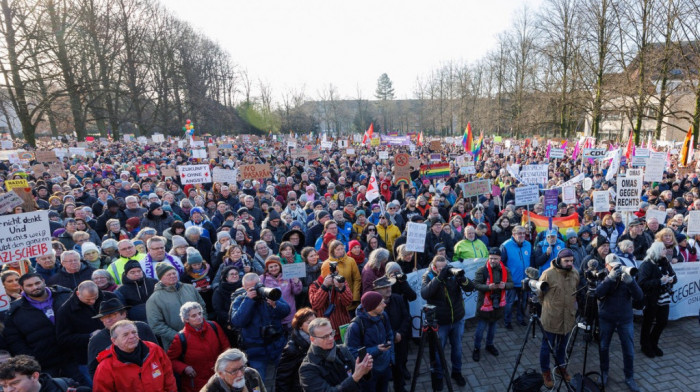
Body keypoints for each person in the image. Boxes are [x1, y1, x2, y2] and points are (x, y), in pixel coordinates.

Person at [4, 273, 78, 378]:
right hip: (45, 364)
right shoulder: (15, 311)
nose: (35, 287)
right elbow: (14, 340)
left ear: (43, 281)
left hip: (75, 356)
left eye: (37, 283)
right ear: (22, 288)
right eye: (29, 285)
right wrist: (31, 359)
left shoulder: (65, 295)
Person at [420, 255, 475, 390]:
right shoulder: (429, 276)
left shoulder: (452, 272)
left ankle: (456, 372)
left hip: (457, 319)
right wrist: (439, 278)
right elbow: (425, 293)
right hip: (440, 322)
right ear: (434, 267)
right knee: (439, 352)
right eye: (439, 268)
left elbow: (470, 287)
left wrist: (462, 279)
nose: (442, 270)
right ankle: (439, 377)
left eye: (444, 267)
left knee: (457, 348)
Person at [55, 281, 118, 387]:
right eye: (88, 299)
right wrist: (89, 336)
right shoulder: (66, 311)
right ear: (78, 294)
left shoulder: (109, 297)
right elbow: (63, 339)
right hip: (87, 358)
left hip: (116, 352)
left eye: (95, 297)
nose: (93, 301)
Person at [595, 254, 643, 391]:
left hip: (625, 318)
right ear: (606, 266)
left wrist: (631, 282)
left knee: (628, 350)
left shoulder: (626, 274)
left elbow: (639, 297)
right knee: (603, 347)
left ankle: (629, 377)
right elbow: (597, 293)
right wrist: (609, 279)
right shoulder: (601, 276)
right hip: (606, 318)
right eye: (613, 266)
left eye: (618, 265)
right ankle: (604, 372)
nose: (616, 268)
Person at [229, 273, 290, 381]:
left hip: (277, 345)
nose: (256, 290)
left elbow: (286, 311)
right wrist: (248, 300)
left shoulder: (270, 293)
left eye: (257, 286)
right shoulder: (239, 300)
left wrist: (275, 305)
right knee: (258, 381)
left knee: (284, 377)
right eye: (251, 288)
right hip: (255, 350)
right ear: (244, 288)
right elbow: (237, 322)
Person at [93, 320, 177, 392]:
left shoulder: (154, 350)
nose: (132, 336)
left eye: (134, 332)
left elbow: (169, 377)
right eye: (125, 335)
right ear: (114, 341)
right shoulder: (106, 366)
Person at [538, 248, 579, 388]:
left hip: (568, 317)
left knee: (563, 346)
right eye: (566, 261)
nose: (569, 263)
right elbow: (540, 294)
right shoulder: (548, 274)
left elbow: (575, 293)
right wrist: (551, 307)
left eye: (571, 261)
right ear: (559, 260)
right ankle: (546, 372)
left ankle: (560, 367)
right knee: (546, 347)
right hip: (551, 317)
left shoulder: (575, 273)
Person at [166, 302, 230, 392]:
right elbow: (169, 360)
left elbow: (226, 347)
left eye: (200, 313)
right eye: (194, 316)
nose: (199, 317)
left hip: (220, 377)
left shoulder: (214, 326)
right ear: (186, 319)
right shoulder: (181, 338)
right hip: (197, 384)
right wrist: (184, 368)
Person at [87, 298, 158, 377]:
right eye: (104, 317)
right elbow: (94, 371)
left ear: (124, 314)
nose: (108, 320)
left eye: (113, 315)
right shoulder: (96, 341)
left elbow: (157, 355)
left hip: (150, 379)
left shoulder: (142, 328)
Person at [298, 317, 374, 391]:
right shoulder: (307, 368)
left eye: (331, 333)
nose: (331, 338)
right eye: (325, 337)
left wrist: (365, 370)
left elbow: (360, 379)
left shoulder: (342, 349)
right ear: (312, 339)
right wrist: (355, 377)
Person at [145, 263, 206, 350]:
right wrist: (180, 337)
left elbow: (202, 307)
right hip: (177, 344)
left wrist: (204, 325)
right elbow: (156, 325)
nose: (172, 276)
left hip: (201, 335)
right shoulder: (154, 299)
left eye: (174, 273)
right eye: (168, 274)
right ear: (161, 278)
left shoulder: (190, 288)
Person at [345, 291, 393, 392]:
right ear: (372, 307)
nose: (385, 305)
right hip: (368, 373)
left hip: (385, 368)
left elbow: (389, 335)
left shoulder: (383, 316)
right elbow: (351, 352)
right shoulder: (355, 326)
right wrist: (376, 349)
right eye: (381, 303)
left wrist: (391, 358)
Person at [472, 248, 513, 362]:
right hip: (484, 305)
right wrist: (488, 287)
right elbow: (475, 284)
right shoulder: (482, 270)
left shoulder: (505, 270)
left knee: (493, 328)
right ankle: (476, 348)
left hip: (498, 304)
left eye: (495, 258)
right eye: (491, 258)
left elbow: (511, 283)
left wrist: (504, 286)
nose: (493, 260)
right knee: (480, 330)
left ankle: (489, 345)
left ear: (500, 259)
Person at [637, 241, 677, 358]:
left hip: (664, 297)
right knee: (648, 322)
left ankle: (653, 343)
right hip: (651, 297)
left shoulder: (665, 262)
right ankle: (645, 345)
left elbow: (674, 276)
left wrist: (671, 280)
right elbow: (642, 283)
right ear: (657, 250)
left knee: (662, 322)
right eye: (664, 249)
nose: (666, 251)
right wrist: (659, 281)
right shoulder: (647, 264)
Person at [372, 276, 411, 392]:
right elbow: (378, 325)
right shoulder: (374, 305)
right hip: (384, 343)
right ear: (377, 291)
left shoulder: (398, 298)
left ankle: (400, 387)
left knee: (399, 365)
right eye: (384, 287)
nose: (388, 289)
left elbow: (406, 317)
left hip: (400, 340)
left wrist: (400, 333)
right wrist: (393, 335)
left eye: (389, 286)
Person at [274, 308, 316, 392]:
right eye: (309, 322)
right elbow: (283, 378)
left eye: (315, 322)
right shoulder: (292, 348)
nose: (313, 325)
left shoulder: (319, 340)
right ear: (300, 326)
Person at [500, 225, 532, 329]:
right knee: (509, 303)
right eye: (519, 233)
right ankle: (507, 321)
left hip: (525, 280)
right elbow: (501, 264)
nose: (522, 235)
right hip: (511, 281)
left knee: (523, 302)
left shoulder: (528, 245)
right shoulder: (505, 246)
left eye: (523, 233)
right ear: (513, 234)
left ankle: (520, 319)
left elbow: (531, 261)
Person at [0, 355, 91, 392]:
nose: (9, 390)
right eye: (4, 386)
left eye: (15, 383)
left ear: (34, 376)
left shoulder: (64, 386)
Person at [200, 348, 266, 392]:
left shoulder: (252, 374)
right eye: (234, 371)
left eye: (241, 368)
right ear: (221, 374)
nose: (240, 374)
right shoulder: (210, 389)